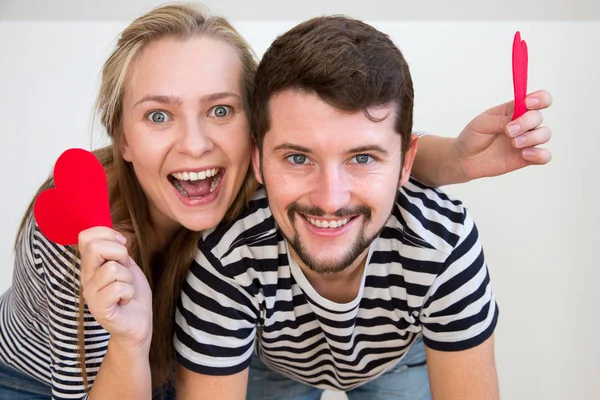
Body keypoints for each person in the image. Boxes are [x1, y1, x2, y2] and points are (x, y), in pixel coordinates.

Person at [0, 3, 552, 400]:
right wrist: (128, 343)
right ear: (121, 135)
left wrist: (455, 157)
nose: (195, 143)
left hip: (187, 361)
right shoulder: (86, 235)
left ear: (252, 137)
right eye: (159, 115)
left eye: (220, 110)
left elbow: (358, 142)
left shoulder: (267, 178)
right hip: (63, 377)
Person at [173, 15, 530, 400]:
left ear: (405, 163)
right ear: (258, 160)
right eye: (297, 158)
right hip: (271, 360)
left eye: (362, 158)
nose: (330, 200)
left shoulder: (444, 245)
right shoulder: (227, 256)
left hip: (396, 358)